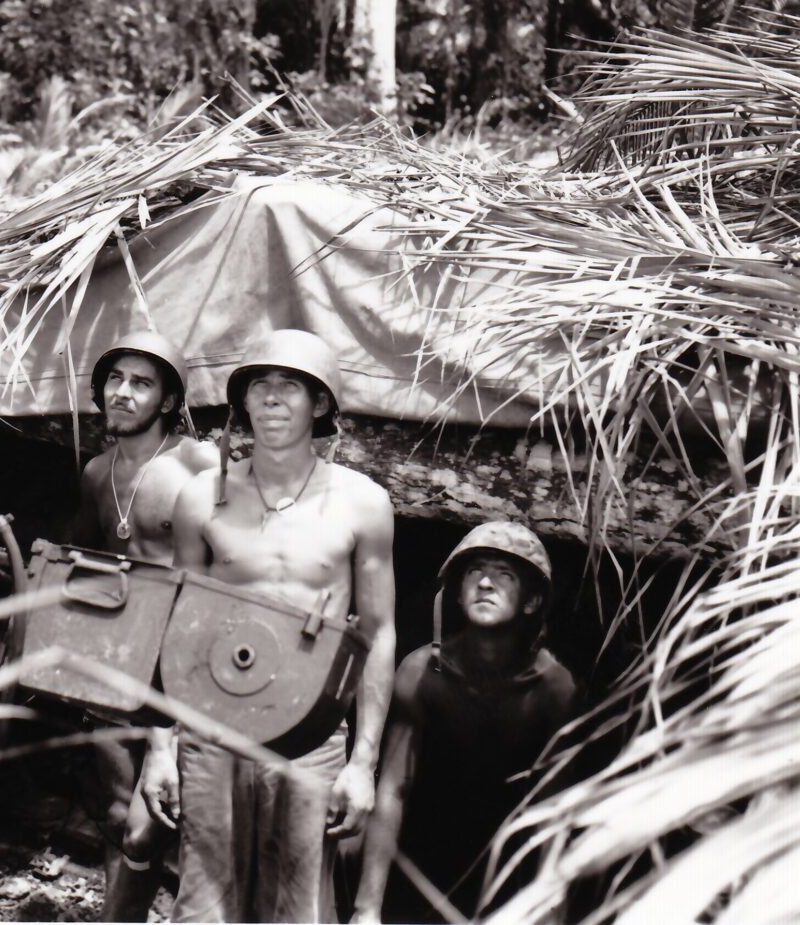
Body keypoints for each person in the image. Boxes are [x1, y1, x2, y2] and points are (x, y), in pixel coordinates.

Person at [137, 328, 397, 923]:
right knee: (204, 902)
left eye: (290, 387)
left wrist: (363, 762)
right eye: (260, 386)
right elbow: (174, 617)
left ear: (322, 404)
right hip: (213, 725)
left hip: (312, 733)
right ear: (242, 403)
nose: (272, 399)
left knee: (299, 906)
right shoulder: (203, 497)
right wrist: (159, 744)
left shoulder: (362, 503)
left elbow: (378, 633)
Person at [350, 521, 581, 924]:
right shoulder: (421, 672)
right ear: (457, 592)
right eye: (475, 572)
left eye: (504, 575)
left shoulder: (553, 688)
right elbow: (393, 792)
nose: (486, 584)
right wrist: (367, 907)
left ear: (531, 601)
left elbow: (555, 806)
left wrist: (552, 908)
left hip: (505, 868)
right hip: (424, 859)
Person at [72, 331, 219, 921]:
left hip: (185, 664)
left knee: (167, 821)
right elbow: (82, 565)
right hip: (116, 659)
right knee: (116, 815)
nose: (123, 394)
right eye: (115, 380)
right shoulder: (94, 473)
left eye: (141, 383)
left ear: (166, 400)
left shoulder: (199, 465)